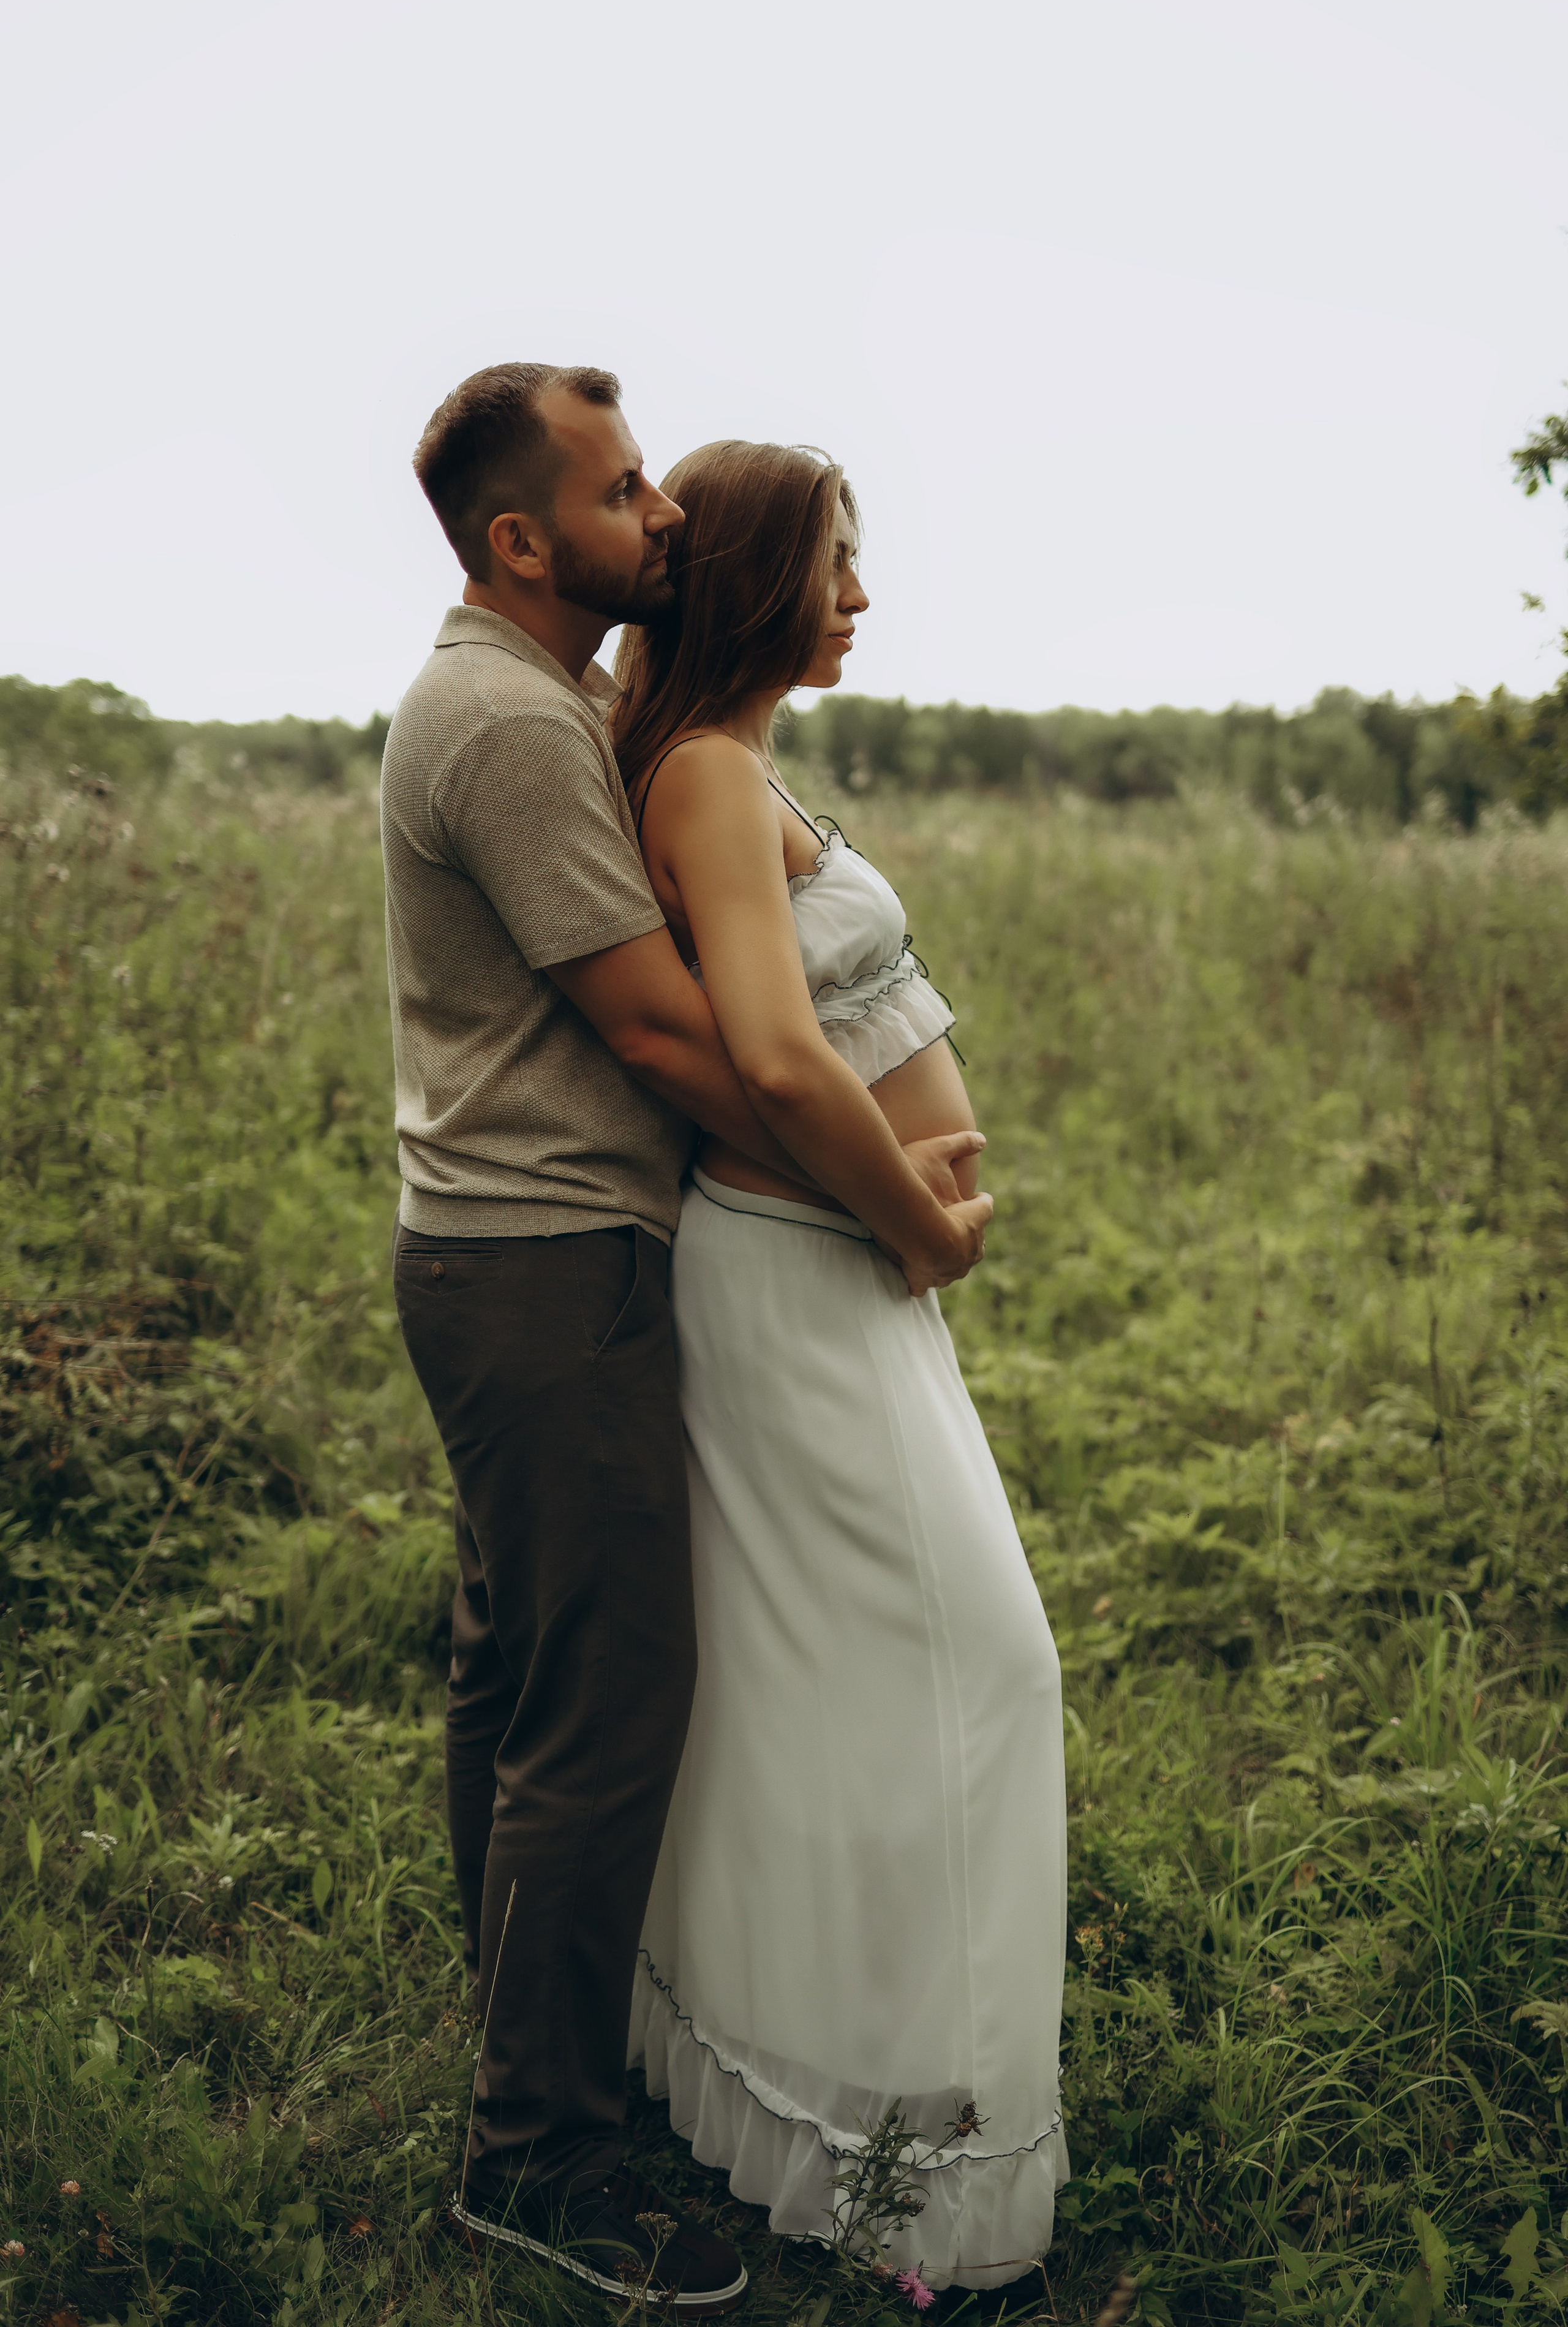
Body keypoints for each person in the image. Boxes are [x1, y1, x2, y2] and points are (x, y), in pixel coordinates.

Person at [380, 364, 990, 2312]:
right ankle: (536, 2158)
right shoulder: (500, 719)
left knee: (519, 1671)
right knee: (605, 1700)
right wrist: (883, 1199)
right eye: (624, 493)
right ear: (522, 541)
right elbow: (668, 1035)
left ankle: (534, 2048)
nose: (658, 517)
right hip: (549, 1261)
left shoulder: (546, 700)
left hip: (524, 1251)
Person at [614, 442, 1070, 2293]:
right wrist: (923, 1221)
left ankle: (853, 2097)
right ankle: (905, 2152)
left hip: (836, 1263)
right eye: (837, 565)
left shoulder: (743, 759)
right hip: (811, 1264)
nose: (861, 596)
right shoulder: (713, 777)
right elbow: (783, 1061)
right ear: (753, 579)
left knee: (841, 1683)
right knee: (987, 1668)